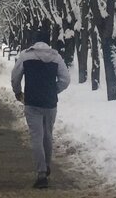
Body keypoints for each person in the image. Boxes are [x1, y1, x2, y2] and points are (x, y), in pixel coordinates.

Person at [11, 25, 71, 189]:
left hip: (32, 102)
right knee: (48, 135)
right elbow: (65, 79)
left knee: (36, 136)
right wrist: (54, 90)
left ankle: (41, 173)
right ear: (48, 41)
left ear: (35, 41)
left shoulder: (25, 56)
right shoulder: (56, 57)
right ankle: (47, 165)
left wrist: (18, 92)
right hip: (50, 102)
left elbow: (15, 77)